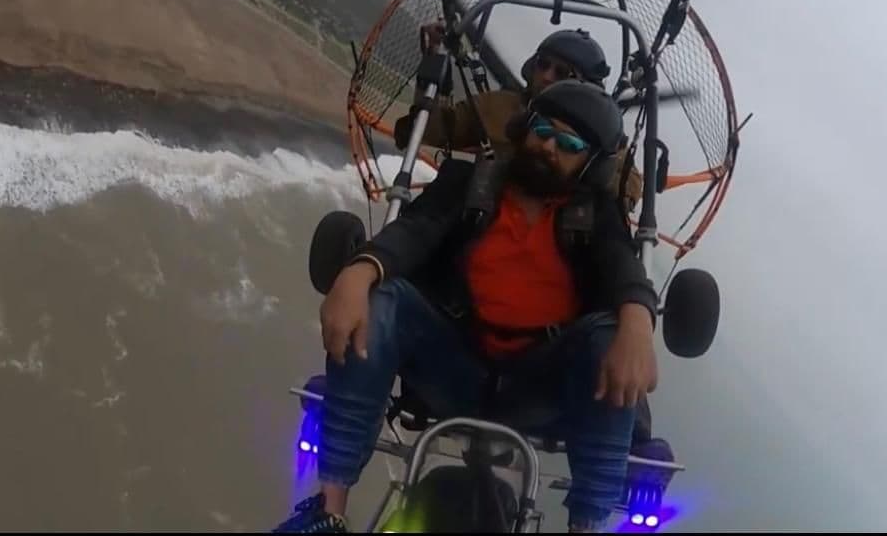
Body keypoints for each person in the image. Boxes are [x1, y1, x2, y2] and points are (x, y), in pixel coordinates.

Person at [274, 80, 658, 533]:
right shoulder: (469, 183)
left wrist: (637, 322)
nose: (549, 146)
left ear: (590, 165)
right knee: (384, 296)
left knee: (612, 332)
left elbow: (622, 269)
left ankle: (585, 527)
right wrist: (359, 270)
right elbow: (413, 231)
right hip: (453, 364)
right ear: (522, 127)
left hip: (538, 385)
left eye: (569, 143)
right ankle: (328, 512)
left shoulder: (596, 216)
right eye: (542, 130)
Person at [392, 23, 644, 212]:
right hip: (480, 217)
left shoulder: (600, 137)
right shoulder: (498, 106)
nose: (546, 76)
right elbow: (432, 130)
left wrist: (569, 162)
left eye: (562, 72)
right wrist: (434, 60)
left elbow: (629, 187)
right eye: (543, 64)